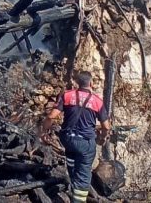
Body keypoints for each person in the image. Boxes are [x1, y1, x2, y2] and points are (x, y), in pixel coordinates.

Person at [40, 71, 111, 203]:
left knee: (72, 164)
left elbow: (51, 116)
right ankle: (77, 199)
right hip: (85, 143)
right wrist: (102, 137)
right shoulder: (97, 101)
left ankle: (73, 186)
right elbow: (106, 126)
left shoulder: (67, 95)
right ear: (91, 83)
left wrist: (44, 132)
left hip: (68, 140)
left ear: (77, 83)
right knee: (83, 177)